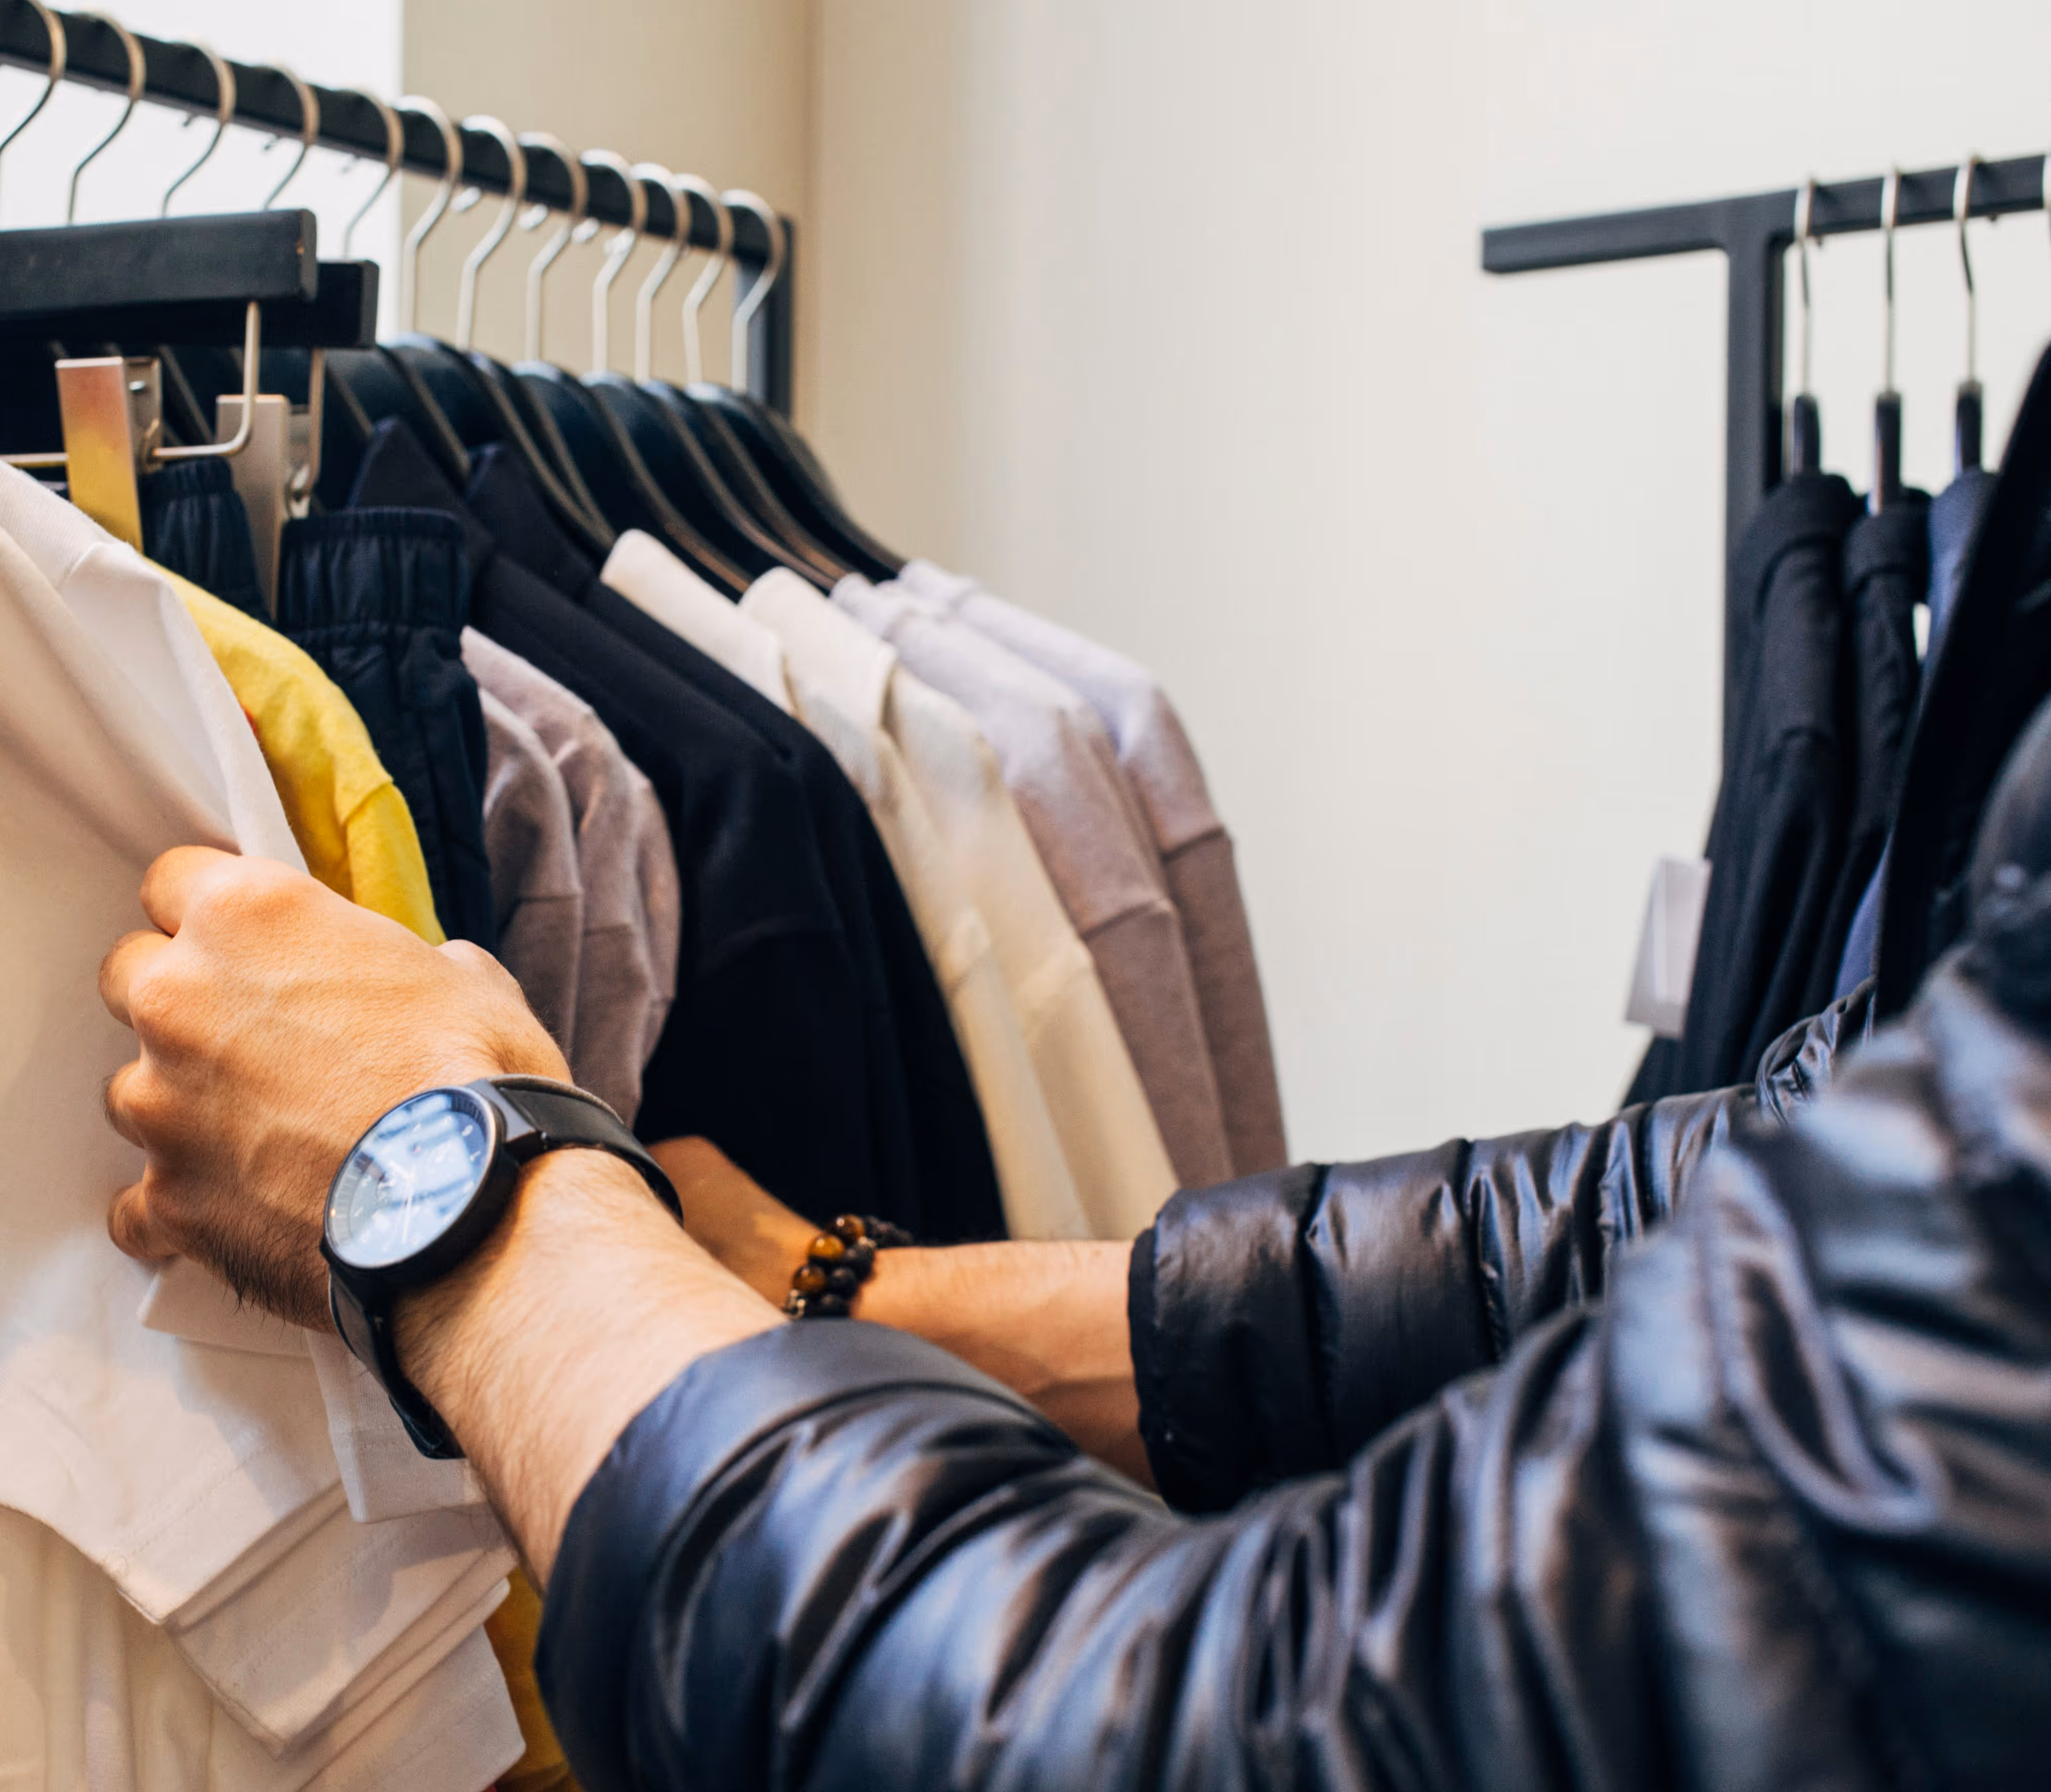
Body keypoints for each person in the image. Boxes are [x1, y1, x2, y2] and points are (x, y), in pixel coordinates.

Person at [98, 356, 2051, 1790]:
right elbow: (1818, 1165)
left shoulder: (750, 777)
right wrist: (868, 1298)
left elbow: (1211, 1738)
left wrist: (463, 1204)